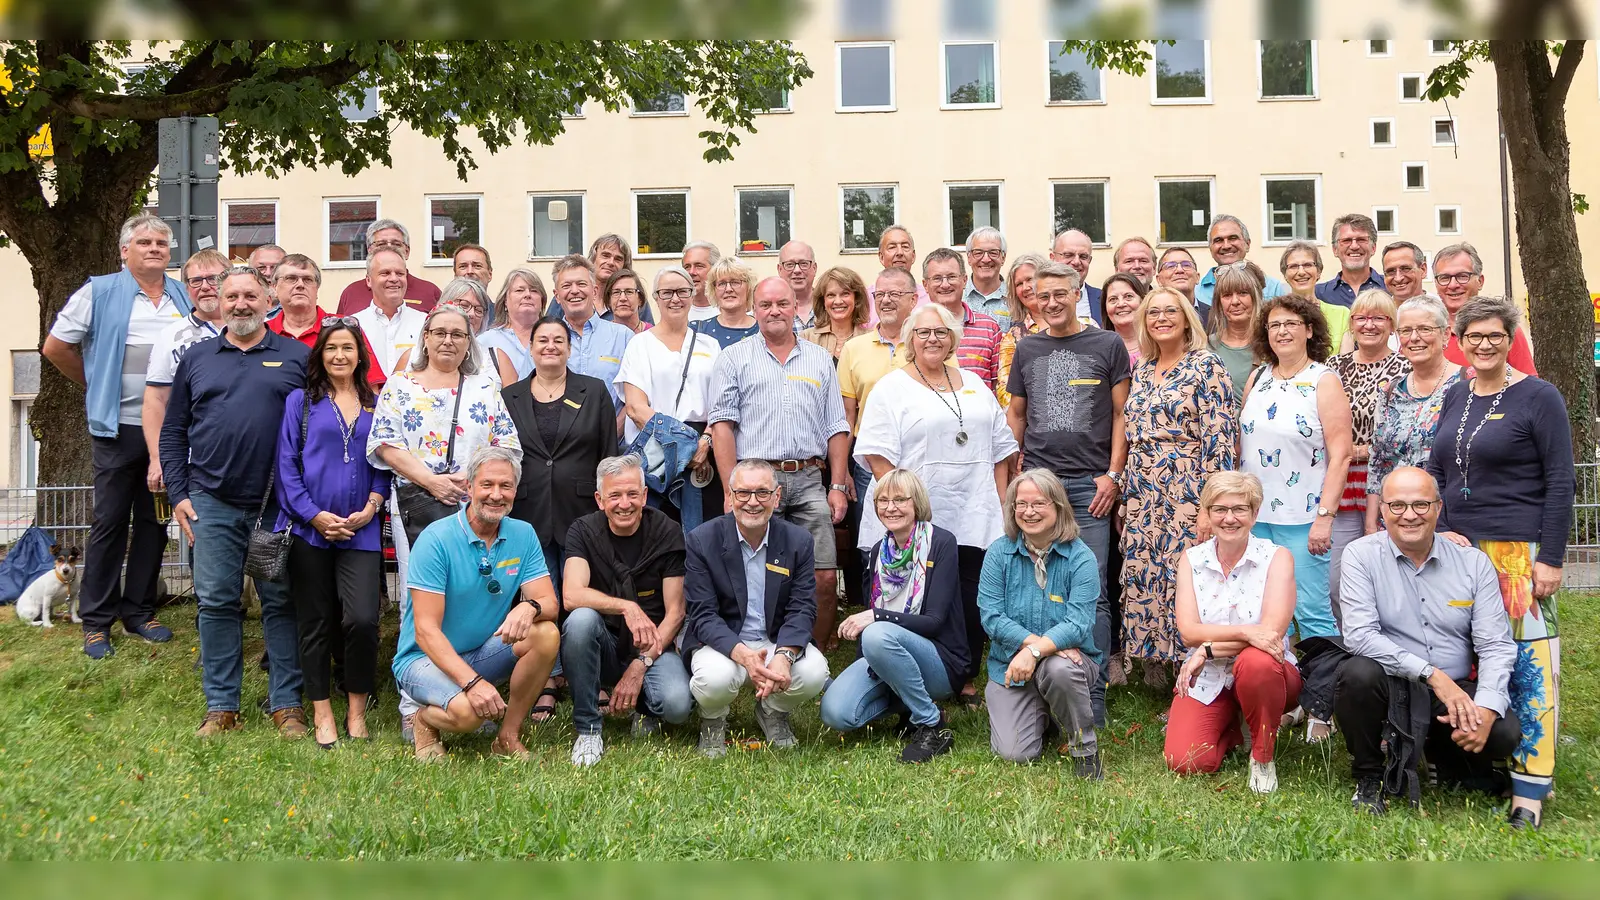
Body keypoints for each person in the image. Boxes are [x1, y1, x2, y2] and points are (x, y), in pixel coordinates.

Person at [1426, 295, 1574, 829]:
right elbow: (1439, 471)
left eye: (1495, 336)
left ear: (1510, 339)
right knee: (1468, 660)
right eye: (1474, 337)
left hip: (1518, 554)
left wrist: (1551, 558)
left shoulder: (1539, 397)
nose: (1484, 345)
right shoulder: (1456, 394)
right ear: (1459, 343)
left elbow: (1561, 481)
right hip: (1461, 550)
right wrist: (1442, 530)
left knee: (1531, 668)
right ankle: (1470, 762)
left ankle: (1530, 790)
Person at [159, 265, 309, 736]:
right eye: (232, 297)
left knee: (281, 603)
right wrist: (179, 494)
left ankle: (287, 705)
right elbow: (173, 431)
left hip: (277, 504)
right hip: (212, 502)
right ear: (218, 303)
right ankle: (222, 707)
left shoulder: (297, 356)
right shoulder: (197, 358)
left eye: (250, 295)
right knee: (217, 603)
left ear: (269, 301)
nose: (240, 304)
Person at [369, 303, 521, 741]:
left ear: (469, 341)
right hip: (419, 503)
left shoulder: (485, 388)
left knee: (472, 597)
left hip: (477, 507)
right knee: (421, 601)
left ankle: (466, 687)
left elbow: (507, 445)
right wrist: (434, 482)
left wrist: (475, 485)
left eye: (458, 334)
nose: (449, 341)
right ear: (426, 337)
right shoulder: (400, 386)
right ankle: (412, 704)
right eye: (440, 333)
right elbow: (385, 445)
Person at [42, 214, 190, 659]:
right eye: (144, 241)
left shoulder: (181, 295)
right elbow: (55, 347)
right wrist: (96, 384)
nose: (154, 248)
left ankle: (140, 613)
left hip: (167, 432)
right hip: (116, 428)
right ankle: (96, 622)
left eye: (162, 242)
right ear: (124, 251)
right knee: (109, 522)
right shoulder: (99, 291)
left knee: (154, 521)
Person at [857, 303, 1019, 707]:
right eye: (924, 332)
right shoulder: (891, 388)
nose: (933, 339)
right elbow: (878, 456)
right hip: (916, 516)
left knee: (970, 594)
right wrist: (897, 509)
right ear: (910, 339)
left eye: (942, 332)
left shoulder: (975, 385)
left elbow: (1001, 450)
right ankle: (909, 673)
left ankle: (964, 677)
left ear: (954, 339)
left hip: (974, 511)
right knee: (923, 598)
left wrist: (1000, 502)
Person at [1336, 467, 1521, 818]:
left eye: (1421, 504)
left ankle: (1442, 756)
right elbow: (1360, 635)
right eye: (1397, 505)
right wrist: (1432, 675)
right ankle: (1369, 776)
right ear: (1383, 511)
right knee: (1357, 674)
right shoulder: (1360, 556)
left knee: (1503, 731)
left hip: (1451, 688)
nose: (1409, 515)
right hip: (1390, 684)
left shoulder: (1474, 564)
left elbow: (1495, 644)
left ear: (1438, 508)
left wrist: (1487, 706)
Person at [1005, 261, 1130, 724]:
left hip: (1089, 485)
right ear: (1032, 299)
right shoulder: (1028, 348)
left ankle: (1090, 695)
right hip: (1039, 488)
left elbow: (1121, 415)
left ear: (1079, 292)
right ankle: (1038, 677)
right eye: (1044, 296)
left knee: (1091, 590)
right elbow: (1017, 414)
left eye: (1062, 294)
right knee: (1036, 584)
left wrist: (1113, 474)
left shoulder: (1107, 343)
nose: (1053, 303)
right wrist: (1018, 470)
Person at [708, 278, 851, 646]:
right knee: (753, 571)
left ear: (795, 308)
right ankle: (756, 646)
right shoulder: (734, 358)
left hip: (807, 477)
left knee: (822, 573)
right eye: (766, 304)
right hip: (755, 481)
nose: (774, 311)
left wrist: (836, 485)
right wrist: (730, 488)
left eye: (782, 304)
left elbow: (837, 426)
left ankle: (813, 651)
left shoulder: (820, 359)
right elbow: (722, 426)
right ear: (754, 309)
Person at [394, 447, 561, 761]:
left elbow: (550, 603)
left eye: (505, 486)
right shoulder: (436, 539)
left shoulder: (523, 534)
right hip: (422, 660)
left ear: (515, 491)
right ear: (468, 488)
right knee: (470, 715)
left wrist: (530, 607)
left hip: (480, 651)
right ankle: (423, 719)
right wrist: (472, 683)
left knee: (546, 634)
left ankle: (508, 737)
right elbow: (426, 632)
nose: (496, 495)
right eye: (487, 485)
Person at [1239, 293, 1352, 740]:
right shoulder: (1258, 378)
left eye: (1291, 323)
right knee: (1272, 617)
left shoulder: (1323, 380)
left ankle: (1323, 707)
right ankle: (1289, 699)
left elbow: (1340, 454)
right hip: (1256, 519)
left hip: (1305, 517)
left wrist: (1325, 516)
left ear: (1309, 329)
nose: (1282, 331)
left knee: (1313, 613)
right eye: (1273, 325)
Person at [277, 321, 390, 748]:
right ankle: (322, 711)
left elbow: (385, 465)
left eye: (348, 348)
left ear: (361, 355)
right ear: (319, 356)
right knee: (315, 622)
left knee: (362, 620)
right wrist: (314, 515)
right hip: (311, 532)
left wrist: (371, 508)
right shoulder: (300, 403)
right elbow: (286, 465)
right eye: (331, 349)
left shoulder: (375, 403)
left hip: (360, 531)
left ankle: (356, 709)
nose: (340, 355)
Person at [1121, 286, 1238, 688]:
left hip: (1187, 489)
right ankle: (1157, 672)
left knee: (1186, 577)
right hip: (1142, 490)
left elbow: (1221, 439)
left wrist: (1213, 506)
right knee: (1148, 574)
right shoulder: (1142, 368)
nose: (1162, 318)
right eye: (1153, 312)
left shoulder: (1207, 365)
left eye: (1171, 310)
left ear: (1187, 317)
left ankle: (1197, 674)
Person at [682, 460, 831, 757]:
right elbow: (703, 615)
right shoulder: (702, 540)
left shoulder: (798, 540)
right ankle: (712, 721)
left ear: (776, 498)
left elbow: (802, 608)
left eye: (762, 493)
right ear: (729, 496)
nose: (752, 502)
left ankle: (772, 711)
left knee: (815, 671)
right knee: (714, 679)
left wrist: (784, 656)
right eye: (743, 493)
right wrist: (743, 655)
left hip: (775, 638)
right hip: (723, 640)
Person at [820, 468, 967, 762]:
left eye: (900, 499)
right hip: (887, 648)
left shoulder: (941, 543)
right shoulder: (878, 552)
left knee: (876, 631)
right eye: (882, 500)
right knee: (835, 713)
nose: (890, 507)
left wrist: (875, 617)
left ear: (917, 503)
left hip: (940, 659)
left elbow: (935, 622)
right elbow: (874, 623)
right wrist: (871, 658)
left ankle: (930, 722)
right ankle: (911, 705)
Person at [1164, 472, 1299, 793]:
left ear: (1254, 513)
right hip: (1209, 678)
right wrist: (1245, 633)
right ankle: (1235, 728)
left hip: (1268, 672)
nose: (1229, 518)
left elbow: (1270, 634)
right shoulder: (1192, 560)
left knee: (1256, 661)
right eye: (1219, 509)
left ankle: (1262, 756)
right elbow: (1189, 632)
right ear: (1207, 514)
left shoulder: (1277, 558)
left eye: (1239, 509)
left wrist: (1208, 649)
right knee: (1186, 760)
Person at [561, 455, 693, 765]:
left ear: (645, 495)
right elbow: (571, 595)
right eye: (615, 495)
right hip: (604, 644)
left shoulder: (666, 530)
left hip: (654, 646)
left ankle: (646, 710)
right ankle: (589, 729)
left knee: (676, 705)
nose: (624, 504)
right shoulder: (582, 531)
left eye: (632, 494)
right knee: (580, 620)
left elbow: (675, 612)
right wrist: (626, 607)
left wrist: (641, 665)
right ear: (599, 499)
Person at [978, 469, 1102, 775]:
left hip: (1067, 666)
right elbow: (991, 617)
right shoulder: (998, 553)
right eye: (1021, 504)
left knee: (1059, 669)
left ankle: (1084, 750)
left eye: (1039, 503)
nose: (1028, 512)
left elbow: (1079, 624)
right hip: (1011, 667)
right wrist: (1038, 646)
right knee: (1014, 752)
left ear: (1058, 507)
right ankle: (1044, 719)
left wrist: (1035, 653)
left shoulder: (1081, 558)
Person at [504, 317, 619, 589]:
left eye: (558, 340)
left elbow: (608, 454)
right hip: (528, 512)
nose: (550, 346)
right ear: (530, 348)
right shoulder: (509, 397)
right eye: (542, 340)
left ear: (569, 349)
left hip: (582, 512)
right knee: (541, 600)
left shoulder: (594, 391)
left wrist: (608, 503)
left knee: (581, 600)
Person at [1328, 289, 1410, 623]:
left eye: (1378, 317)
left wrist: (1362, 449)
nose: (1369, 325)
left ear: (1392, 325)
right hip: (1342, 481)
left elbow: (1405, 430)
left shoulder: (1405, 367)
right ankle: (1348, 647)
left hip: (1391, 481)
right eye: (1361, 318)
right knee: (1338, 577)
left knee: (1392, 572)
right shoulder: (1334, 367)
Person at [616, 265, 722, 521]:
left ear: (692, 294)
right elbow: (635, 408)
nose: (675, 299)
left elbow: (722, 404)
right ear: (655, 298)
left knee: (702, 537)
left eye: (682, 291)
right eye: (667, 292)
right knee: (657, 534)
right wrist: (684, 447)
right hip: (656, 455)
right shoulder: (640, 344)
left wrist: (705, 443)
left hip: (704, 455)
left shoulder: (711, 345)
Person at [1365, 297, 1462, 534]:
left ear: (1445, 333)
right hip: (1397, 521)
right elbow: (1378, 462)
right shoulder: (1389, 391)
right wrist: (1370, 523)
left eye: (1425, 329)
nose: (1414, 338)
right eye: (1406, 330)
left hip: (1451, 522)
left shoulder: (1469, 385)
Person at [143, 249, 228, 495]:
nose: (205, 287)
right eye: (195, 281)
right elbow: (155, 400)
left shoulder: (251, 330)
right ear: (187, 288)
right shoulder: (170, 336)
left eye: (213, 279)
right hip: (193, 462)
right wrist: (158, 459)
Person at [261, 254, 385, 386]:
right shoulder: (263, 333)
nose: (300, 285)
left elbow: (371, 385)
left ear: (317, 288)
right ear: (274, 287)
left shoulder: (345, 327)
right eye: (291, 278)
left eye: (308, 279)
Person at [1434, 243, 1537, 374]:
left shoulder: (1503, 328)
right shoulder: (1425, 331)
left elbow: (1528, 384)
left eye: (1462, 276)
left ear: (1480, 281)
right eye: (1444, 278)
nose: (1453, 285)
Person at [553, 254, 634, 410]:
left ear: (595, 291)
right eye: (566, 285)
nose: (574, 291)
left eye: (581, 284)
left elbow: (637, 396)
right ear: (557, 296)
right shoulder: (544, 341)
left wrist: (613, 431)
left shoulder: (623, 337)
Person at [394, 278, 500, 386]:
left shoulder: (494, 358)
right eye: (464, 305)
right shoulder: (411, 356)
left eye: (478, 310)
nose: (472, 314)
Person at [923, 248, 1002, 389]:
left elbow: (999, 385)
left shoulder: (990, 328)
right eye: (937, 278)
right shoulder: (914, 329)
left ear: (964, 280)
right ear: (925, 285)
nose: (945, 284)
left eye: (951, 277)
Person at [335, 218, 441, 315]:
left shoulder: (430, 292)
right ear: (369, 251)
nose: (389, 249)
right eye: (381, 244)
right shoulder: (351, 293)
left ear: (407, 252)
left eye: (396, 244)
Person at [351, 249, 427, 376]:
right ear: (368, 280)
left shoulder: (425, 323)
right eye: (385, 273)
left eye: (400, 273)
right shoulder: (354, 325)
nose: (394, 278)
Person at [1195, 214, 1290, 312]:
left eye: (1233, 238)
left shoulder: (1272, 288)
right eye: (1218, 240)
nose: (1226, 246)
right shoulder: (1196, 292)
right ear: (1210, 248)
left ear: (1247, 244)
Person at [1279, 241, 1352, 351]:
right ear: (1285, 274)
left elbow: (1345, 363)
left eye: (1307, 265)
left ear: (1318, 271)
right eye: (1293, 266)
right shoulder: (1275, 316)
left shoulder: (1342, 314)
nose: (1301, 272)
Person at [479, 268, 548, 384]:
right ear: (505, 301)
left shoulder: (555, 338)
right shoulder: (486, 341)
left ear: (542, 301)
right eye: (520, 290)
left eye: (534, 290)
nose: (527, 295)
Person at [995, 253, 1046, 409]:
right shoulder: (1013, 338)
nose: (1025, 288)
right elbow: (1005, 392)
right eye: (1019, 284)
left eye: (1030, 279)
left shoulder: (1081, 325)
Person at [1205, 262, 1261, 400]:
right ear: (1219, 303)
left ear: (1255, 297)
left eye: (1243, 293)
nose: (1235, 301)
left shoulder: (1272, 343)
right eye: (1227, 295)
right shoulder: (1206, 348)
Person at [799, 266, 871, 359]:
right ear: (823, 302)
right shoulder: (807, 338)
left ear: (856, 299)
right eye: (831, 295)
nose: (838, 301)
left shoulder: (870, 339)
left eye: (845, 294)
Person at [1315, 214, 1385, 308]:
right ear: (1335, 249)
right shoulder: (1319, 295)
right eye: (1346, 240)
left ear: (1373, 247)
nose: (1354, 246)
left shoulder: (1391, 287)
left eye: (1361, 239)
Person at [691, 255, 760, 348]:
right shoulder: (697, 331)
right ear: (713, 289)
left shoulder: (764, 331)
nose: (728, 289)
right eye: (722, 283)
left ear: (749, 287)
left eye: (735, 282)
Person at [865, 227, 929, 321]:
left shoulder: (929, 297)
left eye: (905, 247)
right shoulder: (866, 299)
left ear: (913, 256)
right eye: (892, 247)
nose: (899, 253)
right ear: (881, 257)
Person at [1049, 230, 1103, 325]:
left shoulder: (1104, 299)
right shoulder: (1039, 300)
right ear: (1052, 258)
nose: (1076, 262)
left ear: (1089, 260)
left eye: (1083, 256)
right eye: (1068, 255)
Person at [963, 226, 1009, 325]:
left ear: (1003, 258)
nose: (986, 259)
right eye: (978, 253)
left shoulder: (1015, 299)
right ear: (969, 258)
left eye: (993, 253)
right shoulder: (957, 296)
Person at [1100, 273, 1148, 368]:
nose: (1121, 304)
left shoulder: (1159, 345)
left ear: (1142, 301)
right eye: (1113, 299)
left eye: (1128, 296)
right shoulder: (1097, 350)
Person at [777, 240, 819, 330]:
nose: (797, 270)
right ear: (779, 269)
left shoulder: (830, 307)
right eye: (789, 264)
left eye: (803, 264)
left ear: (814, 268)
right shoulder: (768, 313)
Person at [602, 268, 652, 335]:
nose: (623, 298)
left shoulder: (652, 335)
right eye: (616, 292)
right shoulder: (602, 335)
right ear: (609, 300)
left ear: (640, 299)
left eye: (629, 292)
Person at [682, 240, 722, 323]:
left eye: (699, 266)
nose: (691, 272)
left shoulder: (730, 310)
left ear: (715, 269)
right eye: (687, 267)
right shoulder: (677, 310)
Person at [1155, 247, 1200, 315]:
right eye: (1170, 266)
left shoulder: (1215, 315)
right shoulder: (1150, 316)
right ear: (1159, 280)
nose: (1179, 270)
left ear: (1197, 277)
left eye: (1186, 265)